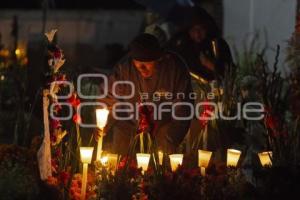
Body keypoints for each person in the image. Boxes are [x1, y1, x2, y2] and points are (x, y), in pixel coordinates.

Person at [99, 33, 193, 155]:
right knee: (119, 160)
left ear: (159, 58)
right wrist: (102, 124)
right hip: (128, 123)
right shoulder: (123, 69)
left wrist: (172, 137)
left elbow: (183, 106)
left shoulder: (174, 68)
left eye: (147, 63)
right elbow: (108, 97)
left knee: (163, 162)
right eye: (138, 64)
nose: (142, 68)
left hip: (163, 124)